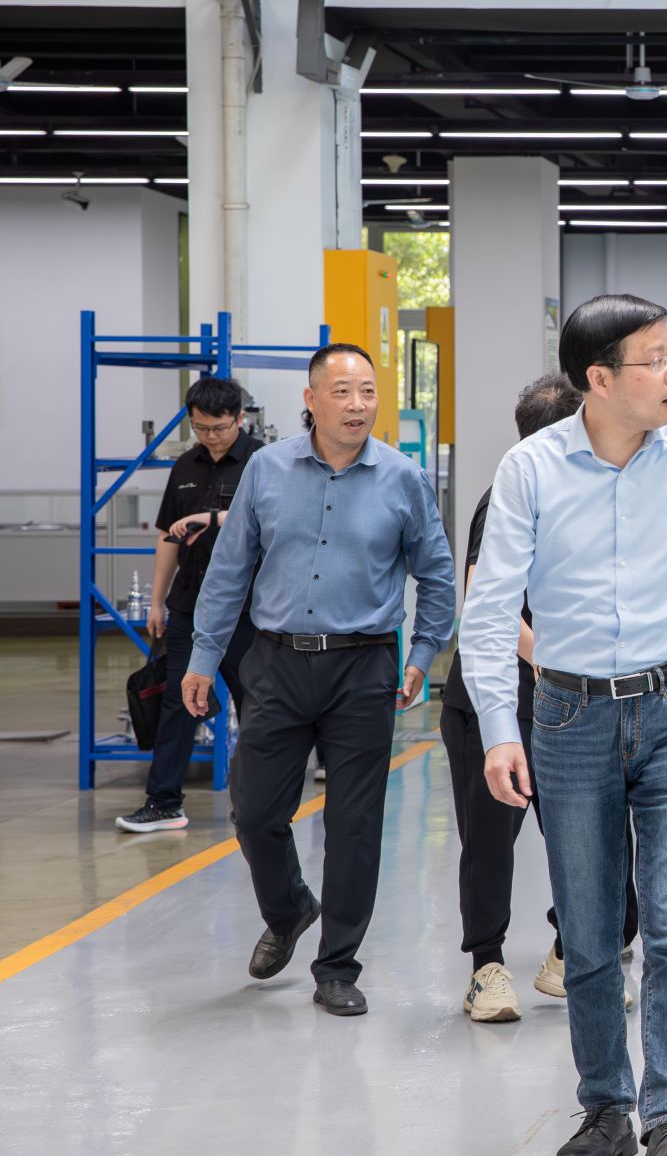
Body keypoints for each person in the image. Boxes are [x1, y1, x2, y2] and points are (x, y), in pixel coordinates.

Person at [464, 294, 667, 1156]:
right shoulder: (530, 468)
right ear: (599, 378)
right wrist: (498, 727)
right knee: (588, 933)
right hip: (569, 714)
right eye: (656, 359)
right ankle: (606, 1109)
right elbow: (489, 609)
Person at [182, 342, 457, 1018]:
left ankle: (336, 966)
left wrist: (423, 653)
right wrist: (202, 654)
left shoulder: (403, 477)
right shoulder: (267, 470)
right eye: (342, 392)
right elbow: (229, 569)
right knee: (255, 811)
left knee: (354, 824)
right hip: (276, 662)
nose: (358, 405)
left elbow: (437, 573)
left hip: (364, 666)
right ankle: (289, 909)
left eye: (367, 391)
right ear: (310, 399)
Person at [437, 373, 640, 1024]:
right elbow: (484, 600)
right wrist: (552, 656)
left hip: (578, 702)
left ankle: (568, 955)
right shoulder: (507, 497)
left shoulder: (601, 497)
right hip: (497, 698)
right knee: (490, 840)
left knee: (595, 841)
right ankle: (487, 969)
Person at [115, 377, 262, 833]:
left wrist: (212, 518)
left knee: (256, 706)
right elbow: (168, 537)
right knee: (177, 702)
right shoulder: (184, 466)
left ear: (240, 418)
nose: (211, 436)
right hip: (189, 607)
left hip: (246, 612)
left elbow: (270, 520)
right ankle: (163, 803)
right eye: (201, 428)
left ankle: (257, 805)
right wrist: (157, 602)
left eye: (219, 427)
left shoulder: (263, 462)